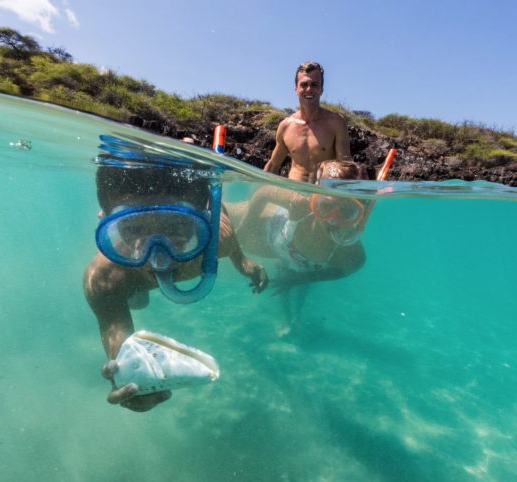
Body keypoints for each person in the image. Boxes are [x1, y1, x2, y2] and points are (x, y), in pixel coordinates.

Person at [84, 136, 268, 412]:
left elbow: (229, 240)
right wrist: (126, 376)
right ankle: (138, 293)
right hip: (133, 286)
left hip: (186, 233)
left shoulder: (218, 240)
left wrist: (243, 263)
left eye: (177, 226)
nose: (159, 255)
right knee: (135, 297)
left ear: (205, 220)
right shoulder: (105, 278)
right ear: (105, 220)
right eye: (133, 229)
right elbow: (118, 341)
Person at [229, 160, 370, 335]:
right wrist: (247, 225)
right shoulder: (299, 205)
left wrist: (304, 278)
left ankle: (291, 322)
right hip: (269, 230)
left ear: (358, 215)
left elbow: (346, 269)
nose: (332, 218)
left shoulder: (351, 253)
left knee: (294, 281)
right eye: (325, 206)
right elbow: (263, 193)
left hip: (298, 260)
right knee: (218, 217)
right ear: (314, 199)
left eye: (347, 211)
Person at [264, 61, 351, 183]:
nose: (309, 89)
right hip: (293, 192)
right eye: (304, 84)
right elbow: (273, 166)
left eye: (314, 85)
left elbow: (346, 168)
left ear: (321, 89)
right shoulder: (286, 126)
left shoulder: (336, 123)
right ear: (296, 89)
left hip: (321, 195)